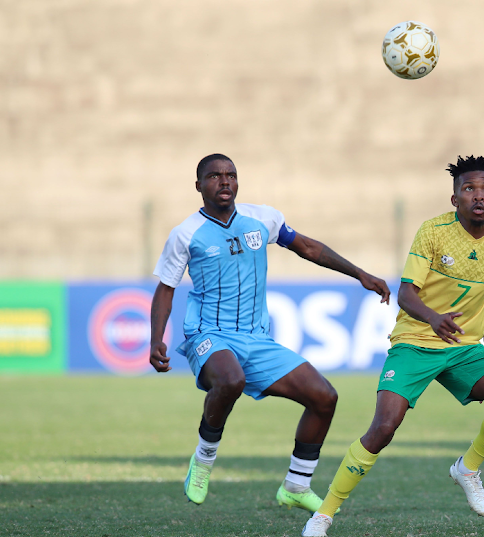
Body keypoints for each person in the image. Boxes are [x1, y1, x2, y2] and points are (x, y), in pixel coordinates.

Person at [302, 155, 484, 537]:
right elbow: (406, 294)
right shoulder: (433, 231)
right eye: (469, 189)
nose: (479, 196)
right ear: (455, 198)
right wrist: (433, 319)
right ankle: (323, 514)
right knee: (384, 427)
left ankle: (468, 468)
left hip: (462, 347)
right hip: (415, 341)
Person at [149, 153, 390, 514]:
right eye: (214, 176)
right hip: (208, 333)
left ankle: (297, 484)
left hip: (257, 339)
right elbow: (166, 289)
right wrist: (157, 340)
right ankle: (203, 461)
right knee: (230, 380)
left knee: (324, 397)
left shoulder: (263, 218)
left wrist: (360, 274)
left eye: (230, 174)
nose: (224, 181)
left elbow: (308, 247)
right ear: (199, 186)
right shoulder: (185, 234)